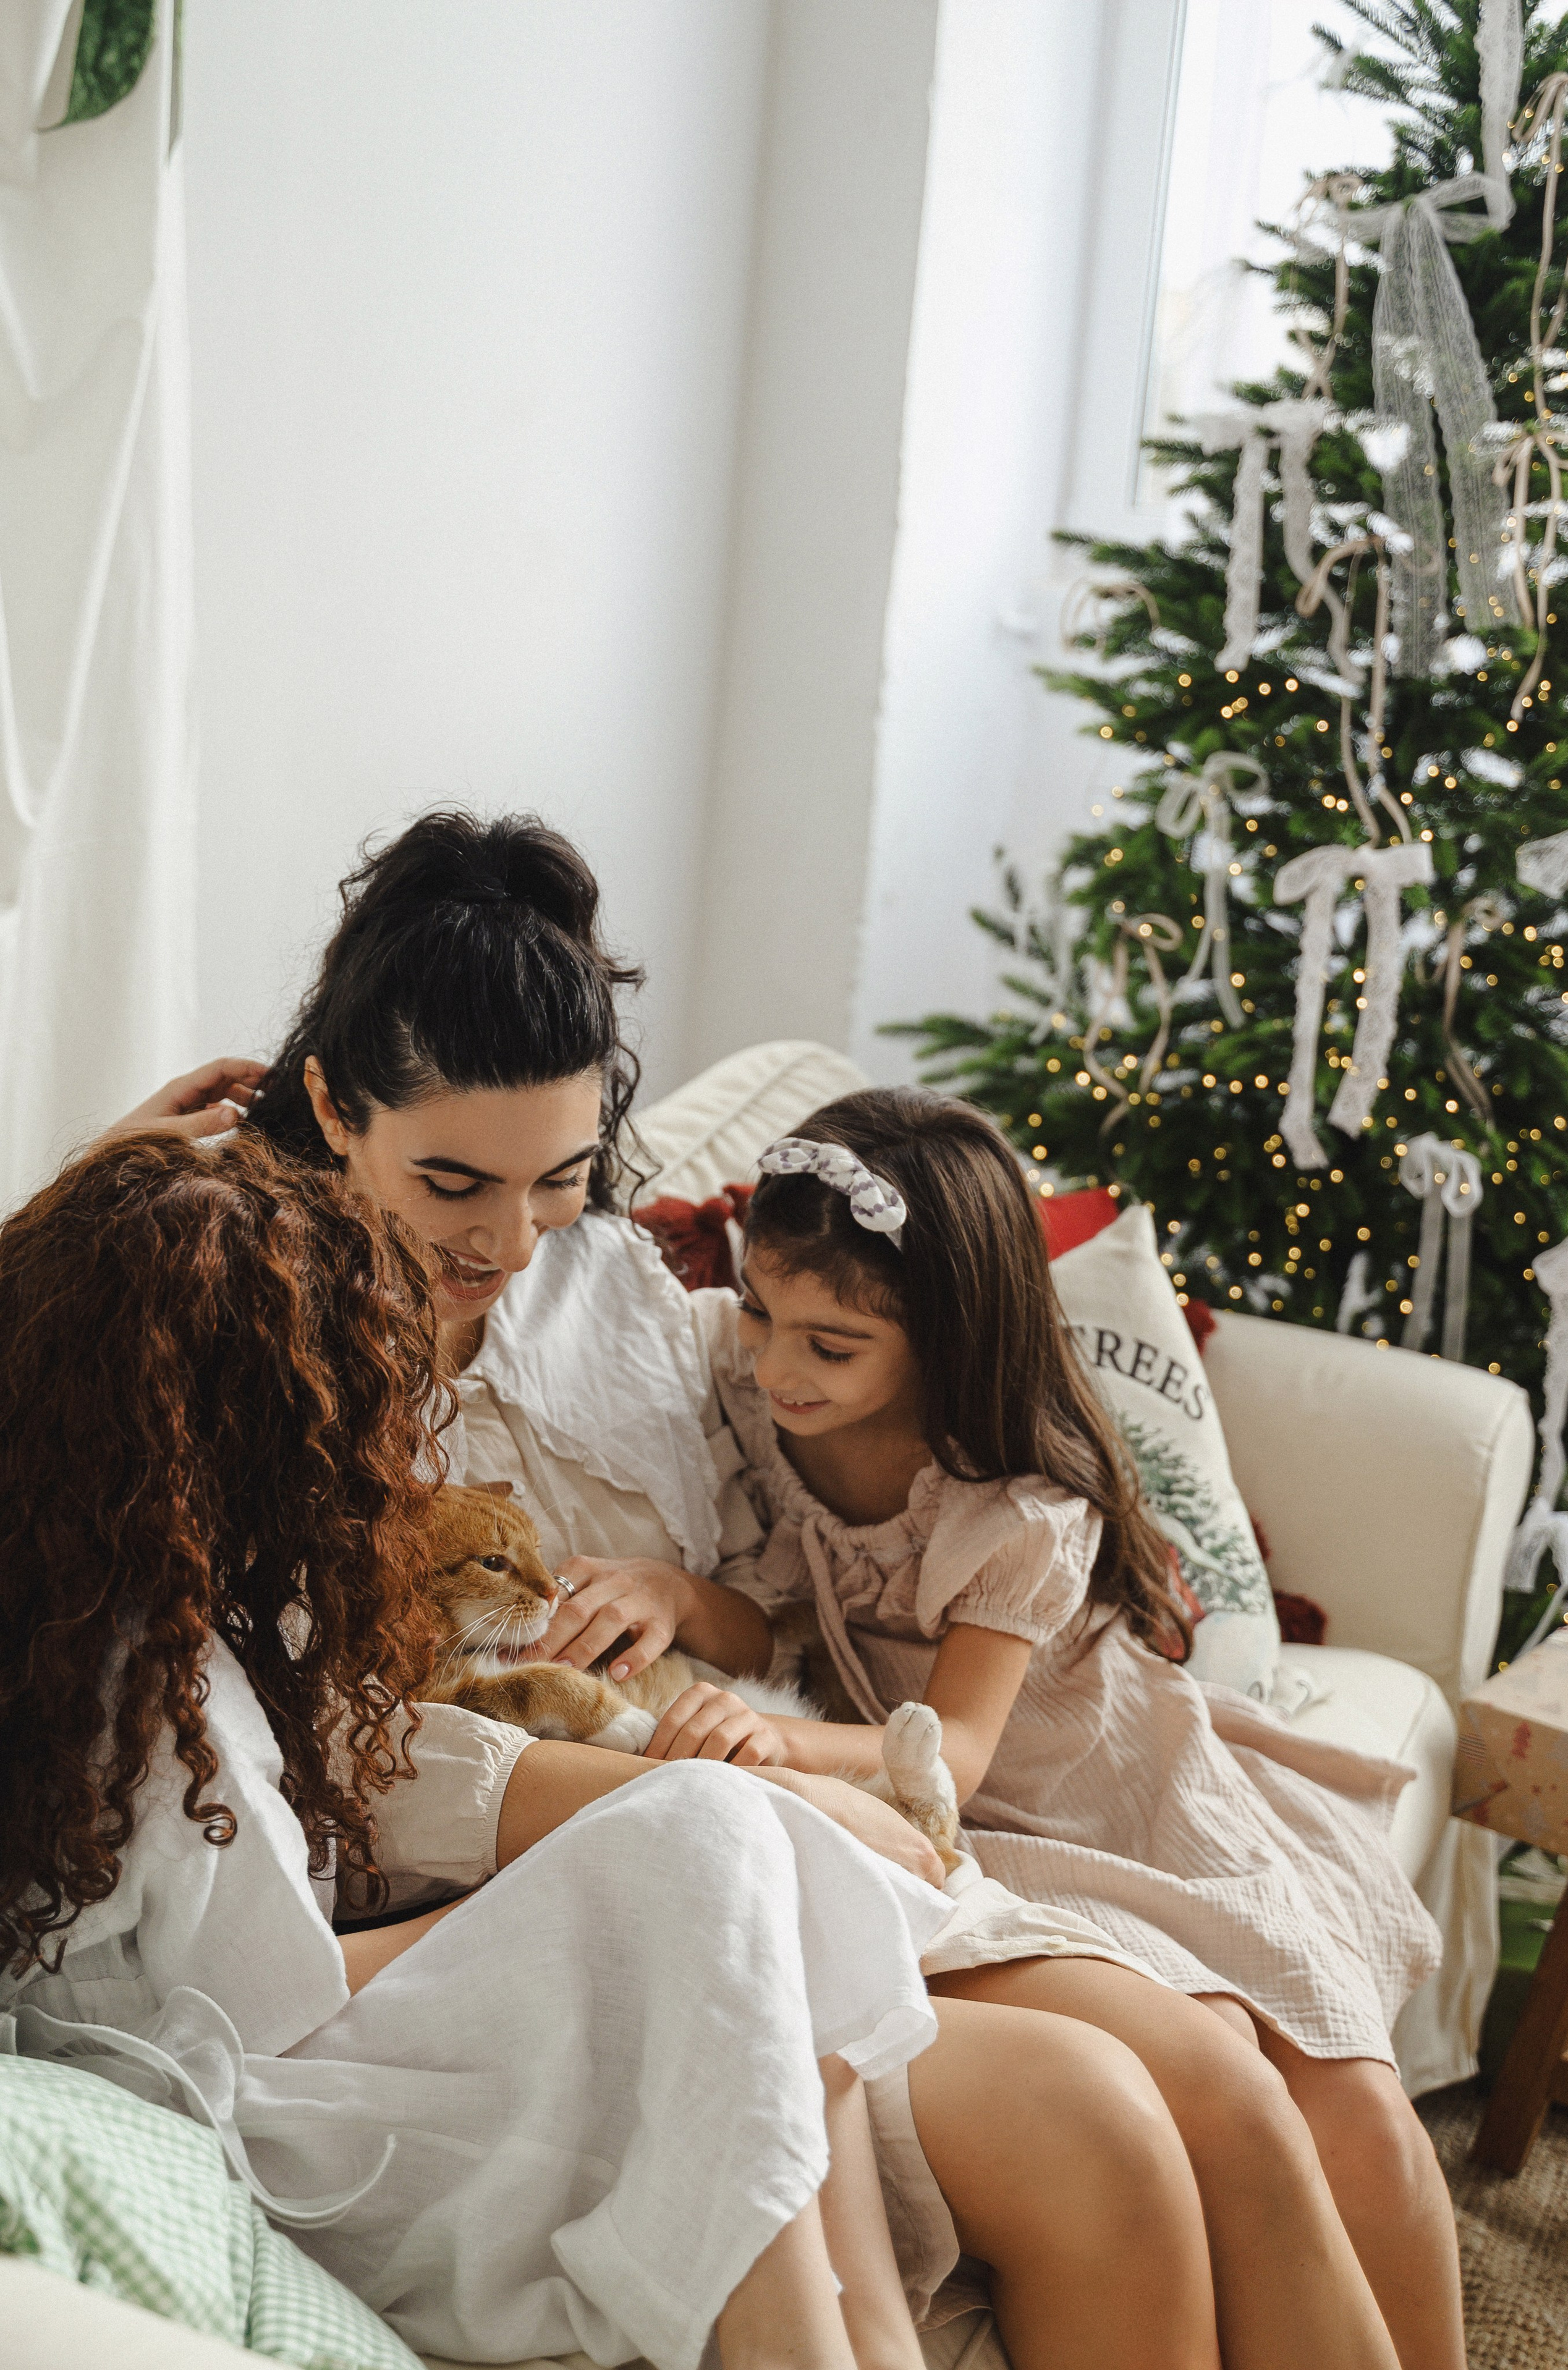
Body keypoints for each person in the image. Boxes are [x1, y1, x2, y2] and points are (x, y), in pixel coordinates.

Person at [132, 807, 1403, 2364]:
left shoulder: (620, 1299)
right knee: (1105, 2120)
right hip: (577, 1883)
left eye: (556, 1180)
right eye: (454, 1181)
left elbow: (776, 1598)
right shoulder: (239, 1329)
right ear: (334, 1104)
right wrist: (92, 1193)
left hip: (755, 1795)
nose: (508, 1242)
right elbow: (289, 1736)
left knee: (1231, 2091)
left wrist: (684, 1601)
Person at [0, 1130, 1229, 2370]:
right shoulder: (159, 1683)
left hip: (288, 2034)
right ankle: (810, 2335)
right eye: (336, 1421)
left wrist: (622, 1868)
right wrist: (583, 1896)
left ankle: (831, 2330)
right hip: (280, 2103)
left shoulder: (143, 1613)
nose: (365, 1467)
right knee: (697, 1844)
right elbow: (266, 2009)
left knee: (719, 1870)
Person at [625, 1088, 1463, 2370]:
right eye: (758, 1313)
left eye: (830, 1345)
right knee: (1220, 2071)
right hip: (966, 1825)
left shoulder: (1012, 1506)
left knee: (1352, 2111)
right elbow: (779, 1616)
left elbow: (956, 1752)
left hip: (1103, 1794)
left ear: (944, 1340)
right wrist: (680, 1598)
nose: (776, 1366)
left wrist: (774, 1741)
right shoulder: (754, 1397)